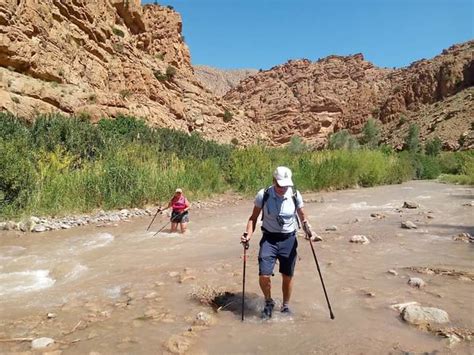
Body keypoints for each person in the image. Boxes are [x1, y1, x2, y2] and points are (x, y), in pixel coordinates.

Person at [241, 166, 316, 318]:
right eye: (280, 185)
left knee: (287, 275)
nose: (283, 188)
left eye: (286, 185)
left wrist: (309, 230)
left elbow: (302, 216)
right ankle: (269, 302)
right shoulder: (264, 195)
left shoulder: (295, 194)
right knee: (264, 274)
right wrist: (248, 234)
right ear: (274, 181)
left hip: (289, 239)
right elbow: (253, 218)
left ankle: (285, 306)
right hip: (269, 239)